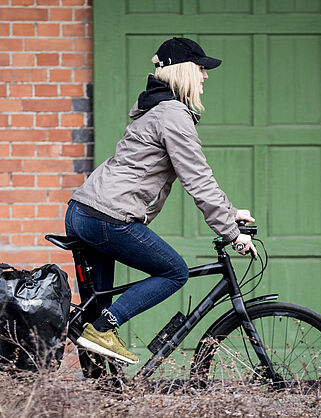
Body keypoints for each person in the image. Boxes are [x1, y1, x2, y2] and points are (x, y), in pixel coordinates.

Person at [65, 37, 257, 365]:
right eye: (200, 69)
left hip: (85, 211)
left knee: (94, 325)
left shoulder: (157, 110)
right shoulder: (172, 114)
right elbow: (197, 178)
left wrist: (230, 211)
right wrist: (230, 232)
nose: (205, 76)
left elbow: (198, 178)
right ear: (183, 71)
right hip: (108, 217)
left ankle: (105, 396)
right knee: (173, 272)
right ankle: (103, 330)